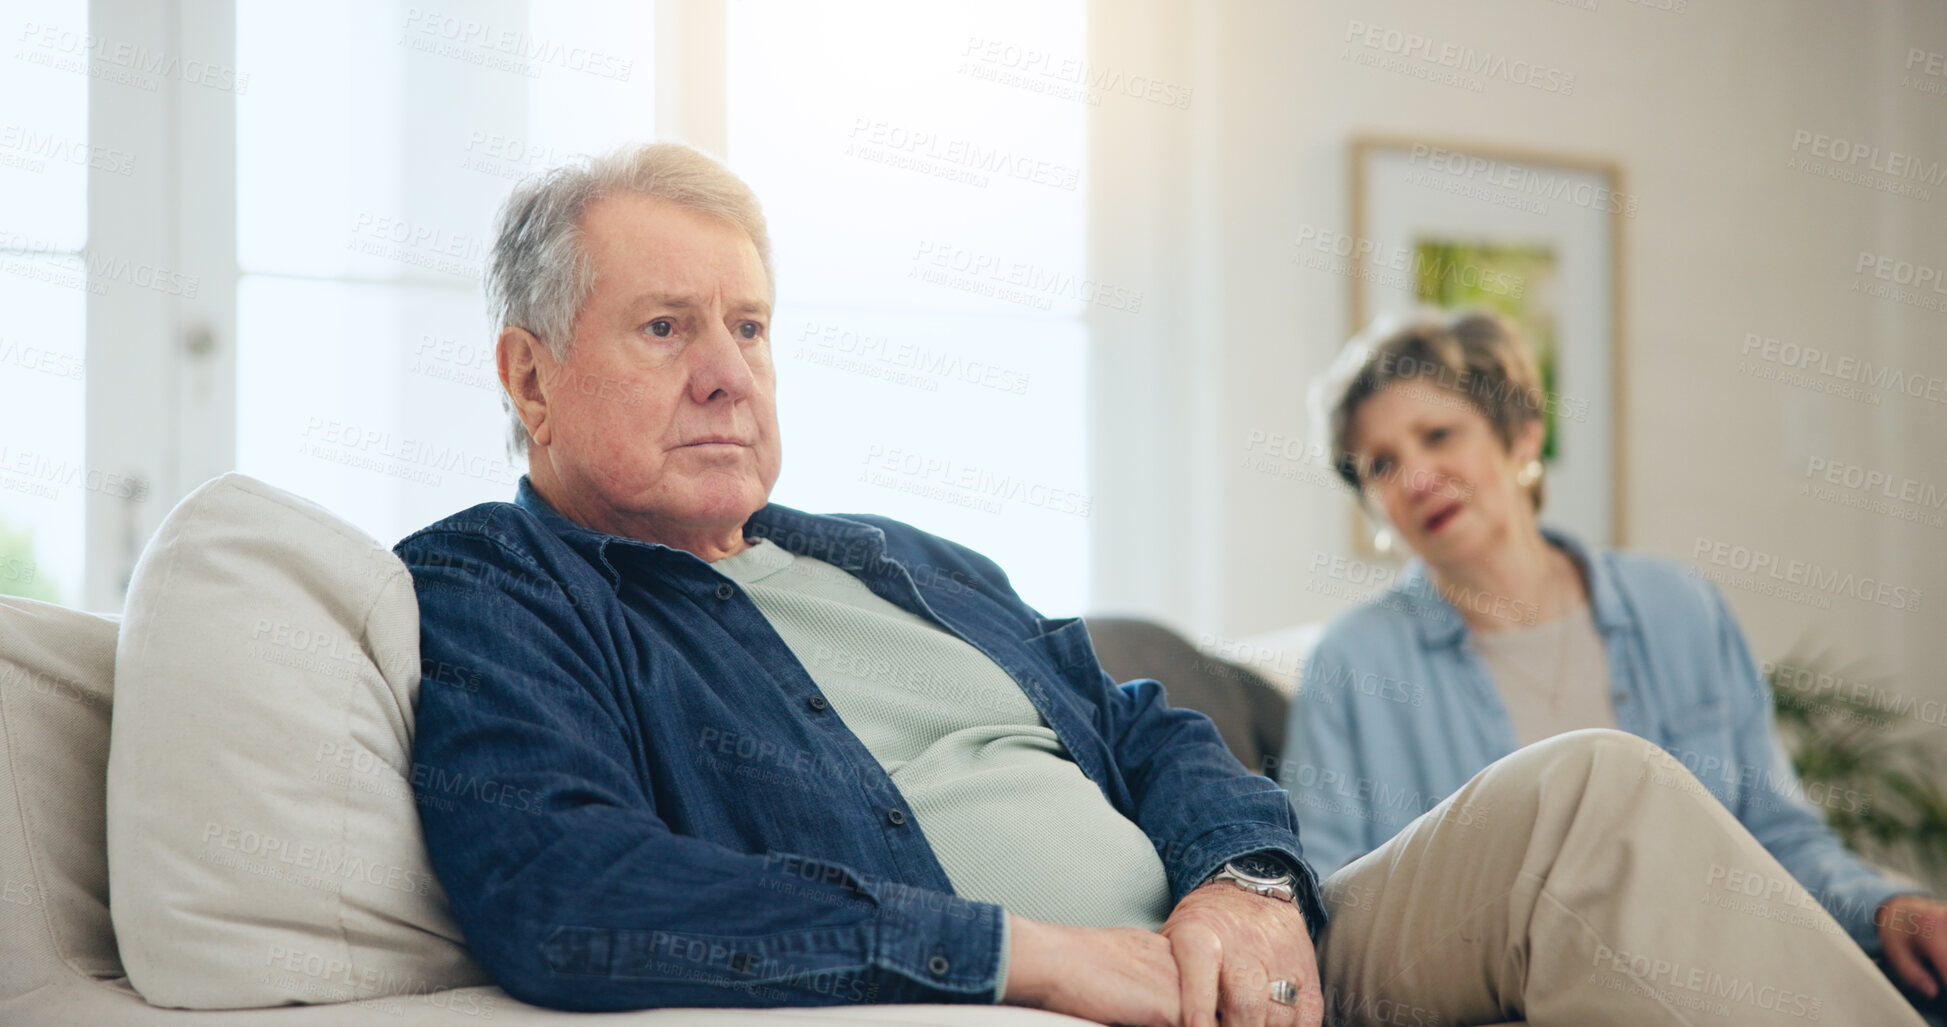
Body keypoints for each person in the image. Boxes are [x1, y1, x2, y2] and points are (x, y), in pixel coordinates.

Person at [398, 141, 1927, 1026]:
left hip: (1249, 958)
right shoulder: (499, 582)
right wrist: (1026, 948)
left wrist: (1241, 883)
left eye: (751, 325)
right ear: (527, 375)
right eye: (667, 329)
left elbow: (1152, 728)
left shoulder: (898, 557)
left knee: (1591, 791)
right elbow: (561, 888)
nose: (730, 376)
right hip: (1087, 994)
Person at [1283, 308, 1947, 1008]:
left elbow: (1776, 836)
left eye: (1438, 434)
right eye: (1380, 465)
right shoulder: (1351, 661)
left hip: (1719, 961)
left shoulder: (1679, 608)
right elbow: (1332, 901)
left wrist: (1885, 907)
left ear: (1521, 436)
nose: (1414, 477)